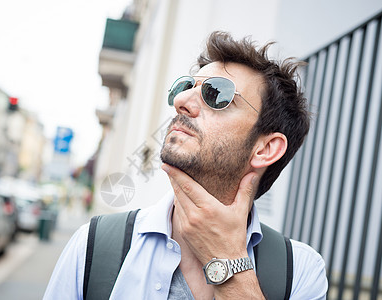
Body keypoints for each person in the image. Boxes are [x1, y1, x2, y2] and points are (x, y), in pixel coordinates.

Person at [44, 31, 328, 299]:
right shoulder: (93, 247)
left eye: (217, 94)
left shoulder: (301, 272)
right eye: (185, 87)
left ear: (265, 149)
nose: (181, 101)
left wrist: (229, 262)